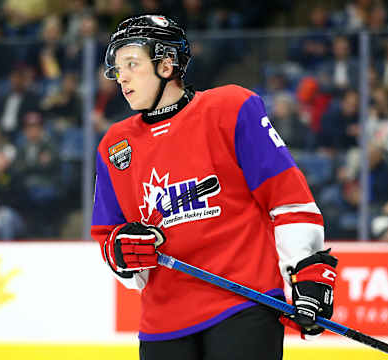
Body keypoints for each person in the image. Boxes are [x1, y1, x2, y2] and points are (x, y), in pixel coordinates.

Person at [91, 15, 338, 360]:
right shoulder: (115, 146)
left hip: (244, 304)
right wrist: (121, 252)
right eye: (118, 69)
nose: (123, 77)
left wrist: (306, 267)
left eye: (132, 64)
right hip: (163, 321)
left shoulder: (230, 108)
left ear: (166, 65)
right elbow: (107, 234)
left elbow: (287, 197)